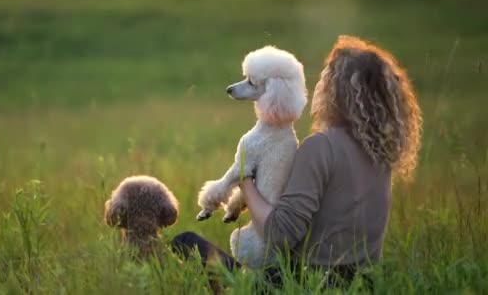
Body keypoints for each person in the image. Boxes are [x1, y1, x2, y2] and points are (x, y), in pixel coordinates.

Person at [172, 35, 422, 288]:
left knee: (185, 242)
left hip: (305, 283)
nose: (318, 85)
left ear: (337, 90)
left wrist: (245, 177)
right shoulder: (379, 153)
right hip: (364, 284)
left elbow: (279, 234)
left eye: (325, 78)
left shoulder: (320, 146)